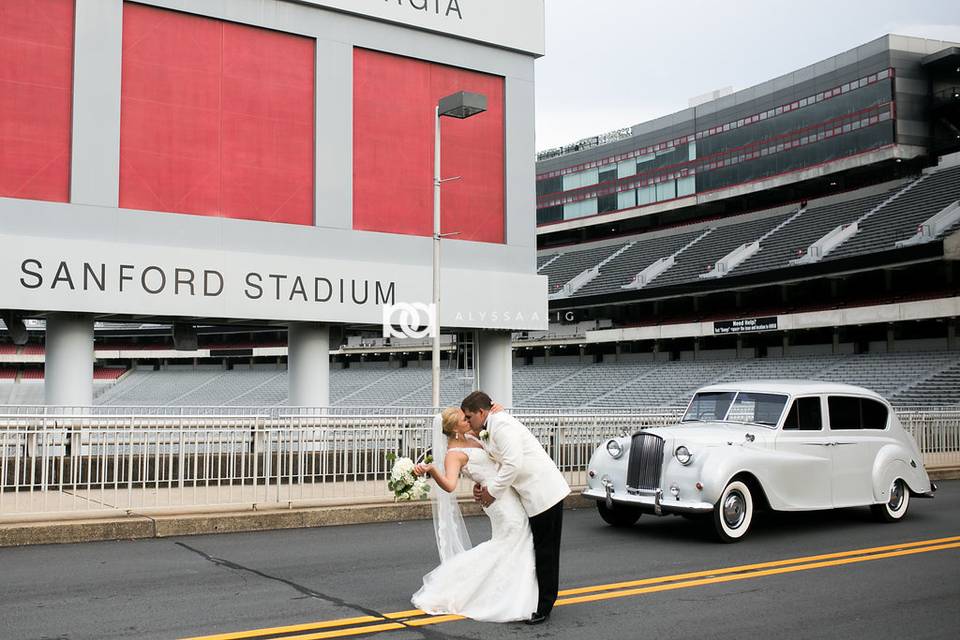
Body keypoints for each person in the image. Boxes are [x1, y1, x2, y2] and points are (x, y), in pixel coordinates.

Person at [410, 407, 538, 622]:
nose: (468, 420)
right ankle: (493, 592)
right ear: (454, 428)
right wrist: (432, 470)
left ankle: (510, 590)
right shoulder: (453, 454)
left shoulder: (472, 436)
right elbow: (450, 485)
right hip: (496, 500)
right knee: (512, 537)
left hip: (504, 492)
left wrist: (498, 409)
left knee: (515, 539)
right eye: (463, 419)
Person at [461, 390, 570, 626]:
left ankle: (544, 606)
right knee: (539, 549)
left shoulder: (500, 425)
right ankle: (537, 600)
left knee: (546, 551)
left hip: (544, 492)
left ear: (481, 412)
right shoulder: (491, 426)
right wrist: (484, 486)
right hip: (531, 494)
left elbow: (513, 463)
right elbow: (499, 462)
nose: (467, 422)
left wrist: (492, 492)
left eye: (469, 417)